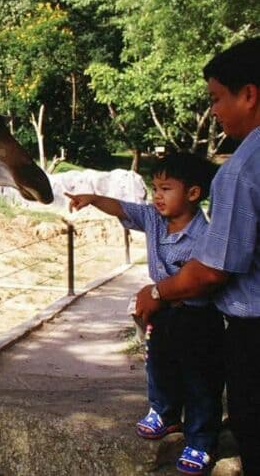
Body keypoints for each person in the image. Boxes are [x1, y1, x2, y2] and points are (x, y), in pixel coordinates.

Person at [134, 37, 260, 476]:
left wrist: (156, 292)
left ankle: (201, 437)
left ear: (249, 94)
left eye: (216, 99)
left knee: (232, 403)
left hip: (250, 330)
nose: (214, 112)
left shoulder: (242, 170)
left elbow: (211, 272)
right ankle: (167, 413)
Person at [67, 152, 221, 475]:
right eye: (155, 188)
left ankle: (201, 439)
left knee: (200, 378)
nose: (157, 196)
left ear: (193, 193)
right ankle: (164, 413)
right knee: (159, 364)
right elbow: (123, 208)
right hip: (162, 312)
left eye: (166, 188)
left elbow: (203, 283)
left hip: (197, 318)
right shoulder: (153, 218)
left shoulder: (206, 236)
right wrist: (93, 199)